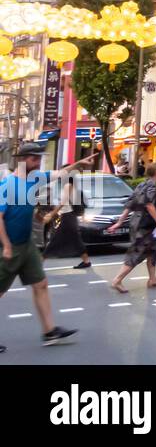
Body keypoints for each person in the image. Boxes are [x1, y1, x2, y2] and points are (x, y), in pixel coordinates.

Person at [0, 143, 81, 350]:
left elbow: (58, 173)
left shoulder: (33, 180)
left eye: (39, 159)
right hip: (9, 246)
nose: (38, 163)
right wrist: (7, 245)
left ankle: (49, 332)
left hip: (26, 244)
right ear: (23, 160)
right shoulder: (7, 184)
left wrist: (80, 163)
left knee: (41, 284)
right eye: (34, 159)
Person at [107, 162, 156, 293]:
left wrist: (119, 223)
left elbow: (129, 205)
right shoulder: (152, 186)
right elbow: (149, 205)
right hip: (145, 225)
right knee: (137, 252)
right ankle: (117, 280)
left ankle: (153, 279)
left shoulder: (141, 185)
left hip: (138, 222)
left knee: (153, 250)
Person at [41, 165, 94, 268]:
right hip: (70, 216)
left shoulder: (68, 185)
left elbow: (63, 202)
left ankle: (40, 262)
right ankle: (86, 261)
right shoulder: (71, 184)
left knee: (55, 240)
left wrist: (52, 213)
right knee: (75, 239)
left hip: (68, 216)